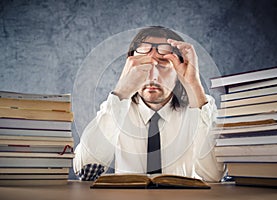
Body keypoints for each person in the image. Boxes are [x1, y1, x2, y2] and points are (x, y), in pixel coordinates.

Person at [73, 26, 225, 182]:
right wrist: (121, 92)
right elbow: (86, 172)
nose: (152, 76)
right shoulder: (116, 109)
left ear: (178, 72)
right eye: (143, 65)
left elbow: (213, 176)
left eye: (163, 64)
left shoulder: (198, 108)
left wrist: (194, 85)